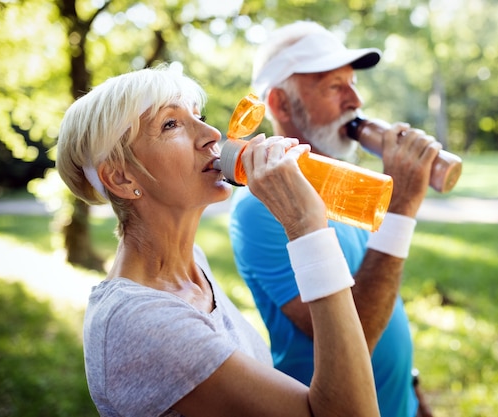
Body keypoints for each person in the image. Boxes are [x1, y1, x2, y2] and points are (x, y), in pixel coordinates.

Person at [56, 65, 381, 417]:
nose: (211, 134)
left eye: (199, 116)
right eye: (171, 124)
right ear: (120, 177)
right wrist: (307, 229)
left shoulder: (191, 265)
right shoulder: (140, 321)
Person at [229, 21, 439, 417]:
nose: (355, 99)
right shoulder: (262, 207)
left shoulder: (344, 185)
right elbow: (356, 335)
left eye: (353, 83)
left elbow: (380, 290)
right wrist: (402, 209)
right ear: (280, 105)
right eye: (333, 86)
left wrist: (411, 390)